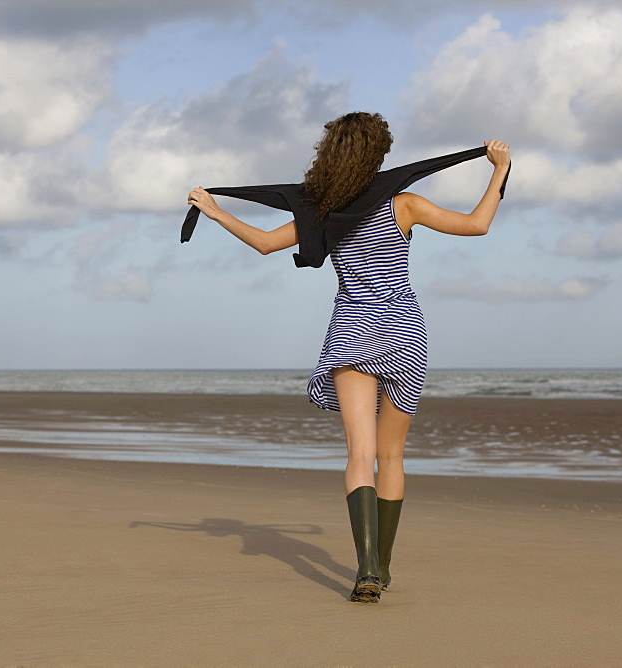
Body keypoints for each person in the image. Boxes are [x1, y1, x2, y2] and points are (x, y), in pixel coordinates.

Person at [187, 111, 512, 603]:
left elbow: (264, 244)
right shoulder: (404, 204)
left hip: (353, 331)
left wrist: (215, 212)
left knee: (359, 455)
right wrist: (498, 170)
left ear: (331, 156)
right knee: (391, 455)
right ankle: (381, 568)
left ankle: (364, 570)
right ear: (378, 155)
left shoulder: (322, 213)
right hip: (404, 331)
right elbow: (477, 225)